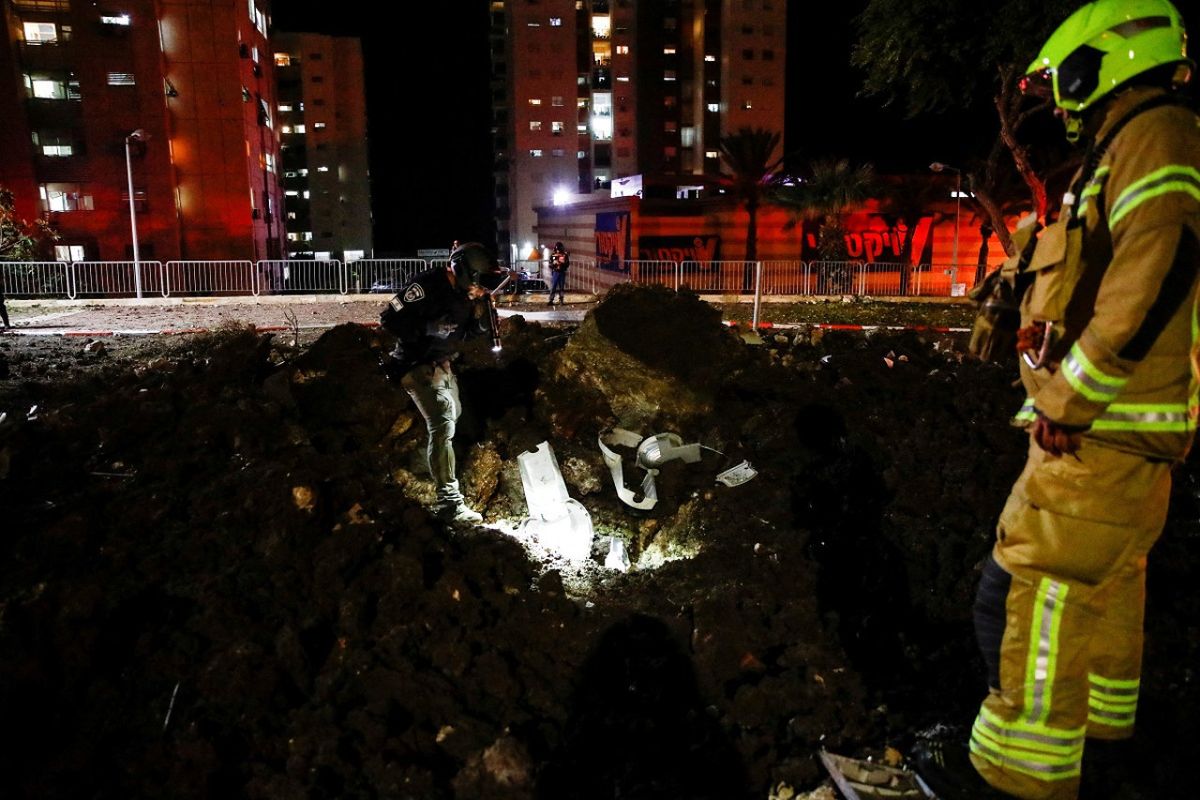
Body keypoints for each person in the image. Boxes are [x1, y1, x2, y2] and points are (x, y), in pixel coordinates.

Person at [913, 2, 1200, 799]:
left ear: (1097, 61)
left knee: (1019, 602)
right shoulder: (1138, 143)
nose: (1057, 100)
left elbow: (1154, 270)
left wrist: (1068, 400)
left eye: (1060, 81)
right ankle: (1102, 756)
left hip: (1094, 440)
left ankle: (1007, 778)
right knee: (1096, 601)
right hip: (1123, 443)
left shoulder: (1154, 137)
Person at [379, 241, 500, 524]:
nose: (477, 289)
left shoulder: (464, 297)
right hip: (414, 363)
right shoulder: (427, 285)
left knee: (453, 417)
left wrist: (482, 324)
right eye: (476, 281)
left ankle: (429, 463)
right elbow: (389, 319)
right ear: (462, 270)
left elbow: (462, 334)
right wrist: (427, 328)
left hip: (442, 364)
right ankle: (449, 501)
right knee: (443, 422)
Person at [547, 241, 570, 305]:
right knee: (553, 286)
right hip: (555, 272)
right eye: (557, 250)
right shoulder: (553, 255)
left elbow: (567, 264)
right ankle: (551, 300)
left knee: (561, 287)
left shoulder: (565, 255)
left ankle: (561, 300)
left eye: (559, 250)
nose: (558, 251)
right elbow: (550, 264)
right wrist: (554, 264)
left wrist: (562, 263)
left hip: (562, 272)